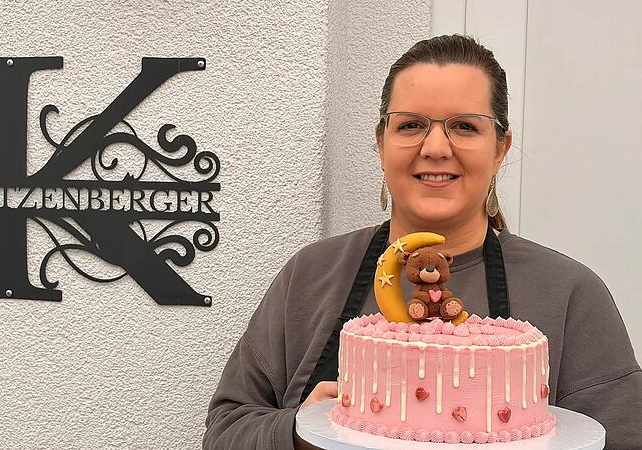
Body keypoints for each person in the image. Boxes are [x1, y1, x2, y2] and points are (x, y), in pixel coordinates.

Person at [203, 35, 642, 449]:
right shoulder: (311, 275)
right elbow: (226, 430)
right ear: (381, 143)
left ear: (500, 149)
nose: (434, 147)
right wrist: (301, 431)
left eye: (464, 126)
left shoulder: (569, 293)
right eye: (411, 125)